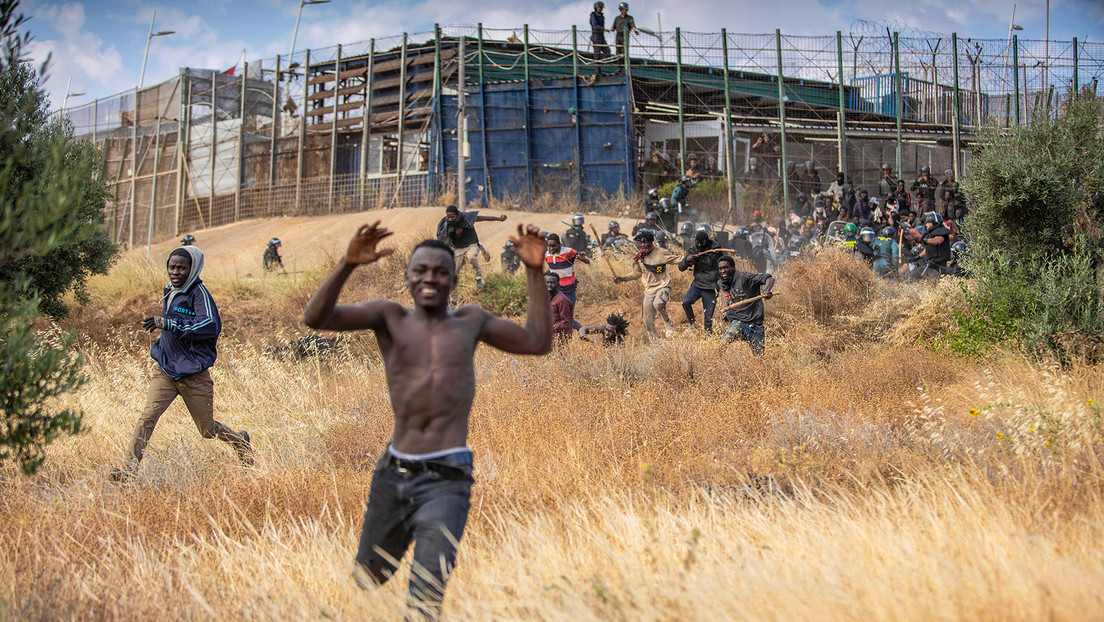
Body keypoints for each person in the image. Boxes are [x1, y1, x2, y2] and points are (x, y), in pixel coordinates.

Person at [303, 222, 552, 622]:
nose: (430, 278)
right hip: (393, 473)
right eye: (420, 271)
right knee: (368, 576)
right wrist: (346, 265)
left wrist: (535, 271)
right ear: (407, 277)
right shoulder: (389, 318)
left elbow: (538, 343)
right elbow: (316, 319)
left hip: (448, 478)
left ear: (454, 278)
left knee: (426, 593)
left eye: (439, 271)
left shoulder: (470, 322)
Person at [110, 245, 253, 482]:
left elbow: (209, 325)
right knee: (147, 418)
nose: (175, 272)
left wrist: (169, 324)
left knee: (207, 430)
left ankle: (239, 441)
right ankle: (128, 469)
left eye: (181, 268)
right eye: (171, 267)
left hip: (194, 375)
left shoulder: (199, 294)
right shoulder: (170, 291)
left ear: (192, 269)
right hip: (166, 370)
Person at [613, 230, 680, 340]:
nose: (644, 244)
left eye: (646, 242)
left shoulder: (660, 252)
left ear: (651, 241)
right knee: (647, 319)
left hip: (663, 285)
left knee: (658, 303)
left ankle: (668, 324)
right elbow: (637, 273)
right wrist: (623, 278)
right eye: (641, 242)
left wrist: (689, 260)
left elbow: (676, 259)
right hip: (649, 289)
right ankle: (655, 342)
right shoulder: (639, 257)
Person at [436, 205, 506, 290]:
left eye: (452, 217)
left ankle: (479, 278)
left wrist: (499, 219)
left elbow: (482, 218)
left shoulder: (466, 218)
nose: (450, 219)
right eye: (448, 217)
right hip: (459, 248)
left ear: (457, 214)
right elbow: (445, 241)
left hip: (471, 244)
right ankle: (451, 298)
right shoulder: (446, 225)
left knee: (471, 257)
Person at [716, 254, 774, 356]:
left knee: (760, 360)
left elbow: (768, 278)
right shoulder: (722, 283)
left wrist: (766, 290)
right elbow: (730, 298)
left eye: (725, 267)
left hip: (755, 326)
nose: (723, 271)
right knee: (722, 345)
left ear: (733, 268)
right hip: (738, 323)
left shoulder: (745, 277)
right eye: (720, 268)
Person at [678, 230, 720, 333]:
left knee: (708, 317)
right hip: (697, 284)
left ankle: (708, 337)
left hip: (711, 287)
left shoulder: (716, 249)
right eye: (698, 243)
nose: (700, 245)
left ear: (707, 241)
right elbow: (681, 267)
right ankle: (692, 325)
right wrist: (688, 260)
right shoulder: (693, 249)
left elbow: (725, 264)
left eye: (702, 243)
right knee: (686, 302)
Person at [544, 233, 590, 305]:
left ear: (559, 244)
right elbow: (553, 269)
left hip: (568, 288)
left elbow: (587, 261)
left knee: (568, 312)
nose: (551, 248)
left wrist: (583, 259)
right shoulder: (547, 255)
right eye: (549, 246)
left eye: (554, 246)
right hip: (555, 289)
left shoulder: (568, 251)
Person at [547, 272, 575, 341]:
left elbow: (566, 322)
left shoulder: (562, 300)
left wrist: (551, 328)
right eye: (548, 282)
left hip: (559, 338)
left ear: (558, 284)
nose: (549, 285)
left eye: (553, 283)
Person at [589, 1, 610, 67]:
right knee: (597, 53)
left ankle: (599, 62)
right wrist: (603, 29)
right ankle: (597, 71)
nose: (600, 9)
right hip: (596, 36)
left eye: (601, 7)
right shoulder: (593, 15)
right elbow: (595, 26)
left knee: (607, 51)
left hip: (601, 36)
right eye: (599, 7)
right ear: (595, 8)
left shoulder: (602, 16)